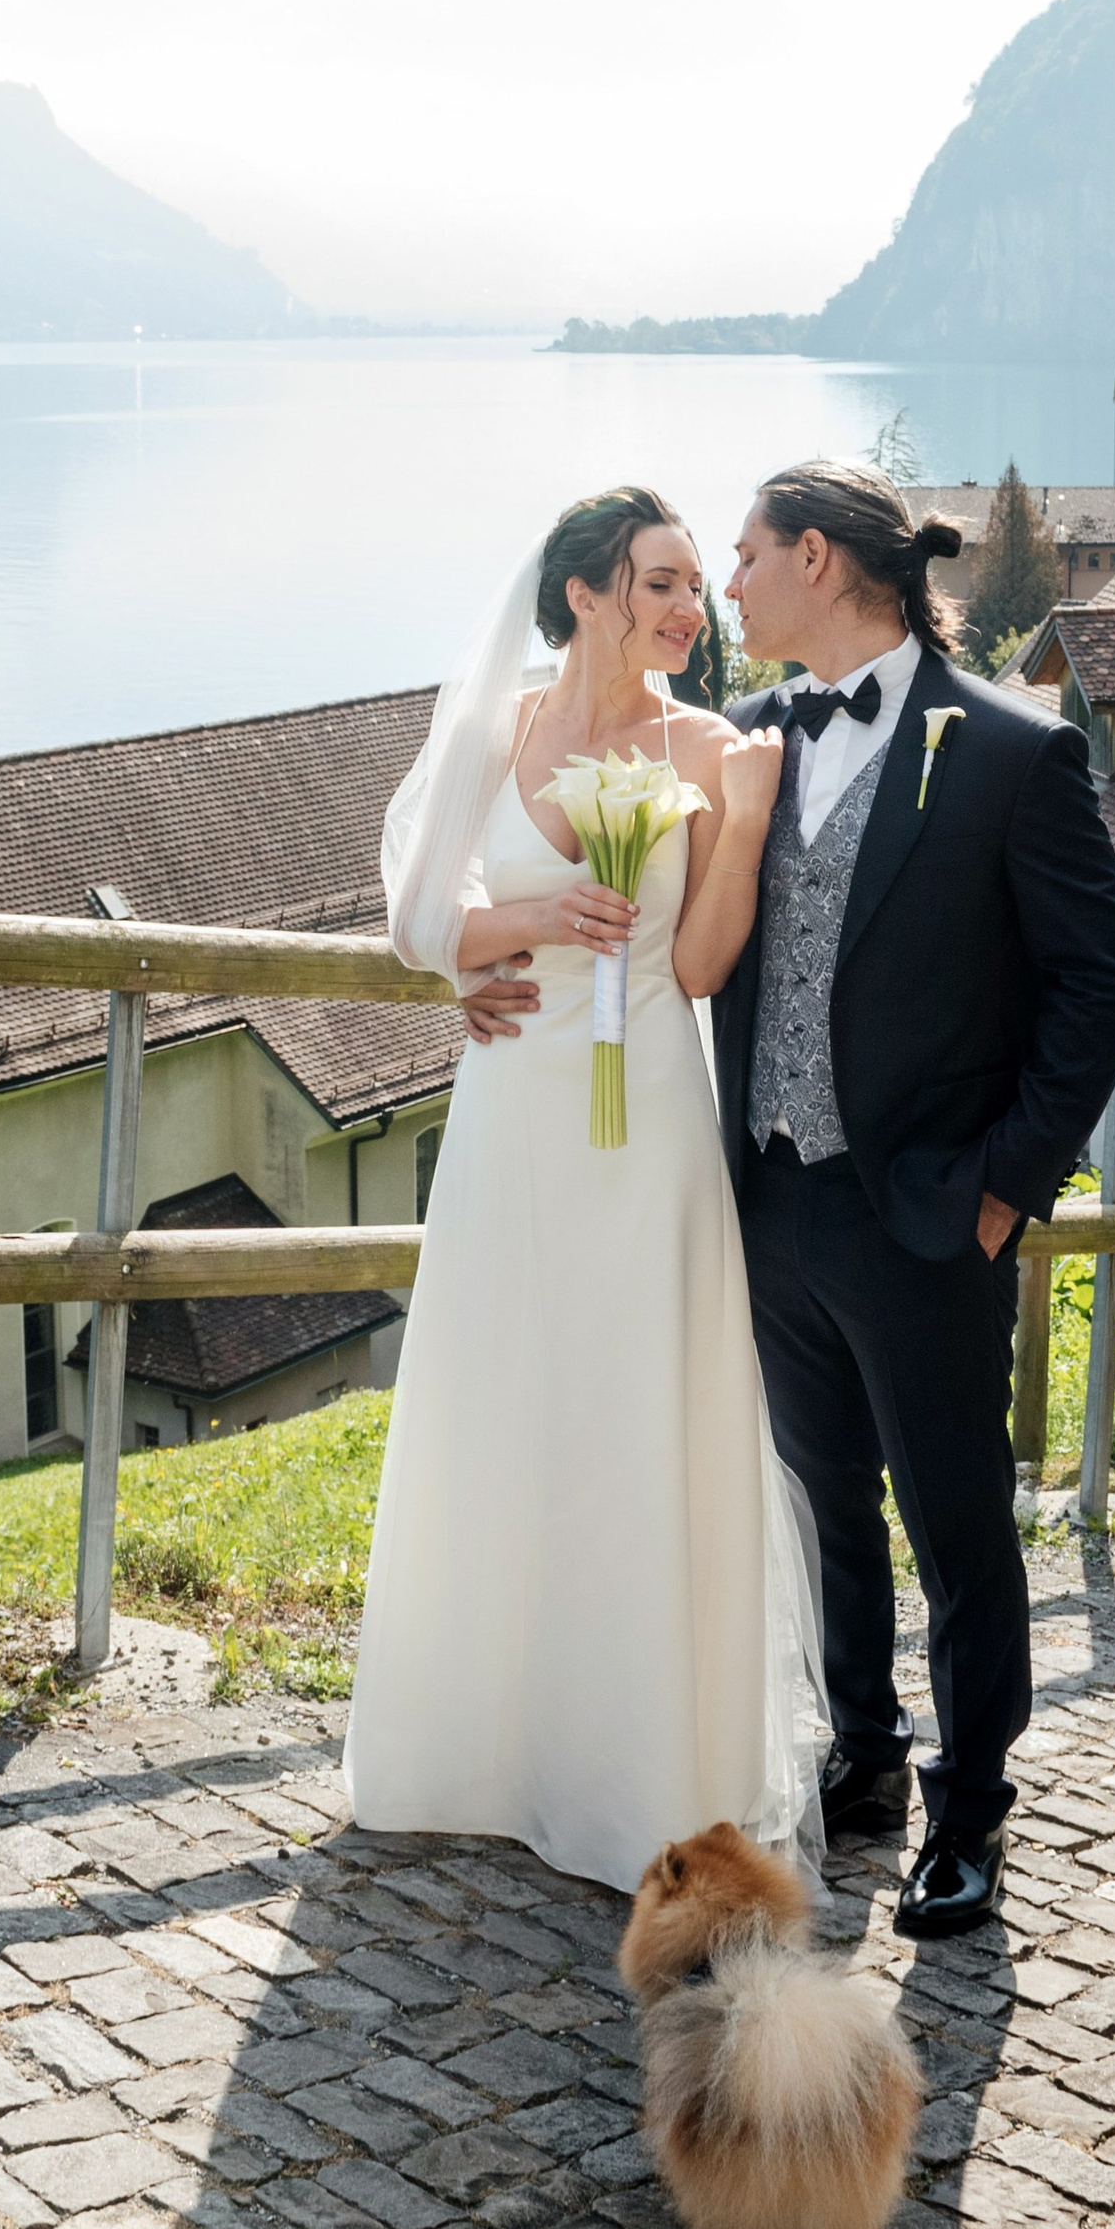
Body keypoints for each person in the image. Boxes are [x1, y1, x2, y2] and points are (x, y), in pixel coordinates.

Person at [344, 485, 829, 1895]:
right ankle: (483, 1751)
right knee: (512, 1401)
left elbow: (695, 970)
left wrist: (734, 830)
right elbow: (420, 922)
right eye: (660, 582)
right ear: (581, 594)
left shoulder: (712, 746)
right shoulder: (494, 737)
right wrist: (530, 927)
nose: (691, 609)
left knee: (639, 1411)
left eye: (694, 584)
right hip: (516, 1110)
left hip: (650, 1125)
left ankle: (645, 1776)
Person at [715, 458, 1115, 1939]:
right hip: (773, 1198)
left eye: (749, 554)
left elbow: (1103, 985)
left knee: (955, 1522)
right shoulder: (747, 738)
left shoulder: (1013, 754)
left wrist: (1001, 1193)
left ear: (825, 562)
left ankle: (971, 1808)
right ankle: (868, 1759)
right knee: (825, 1504)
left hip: (928, 1216)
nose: (730, 584)